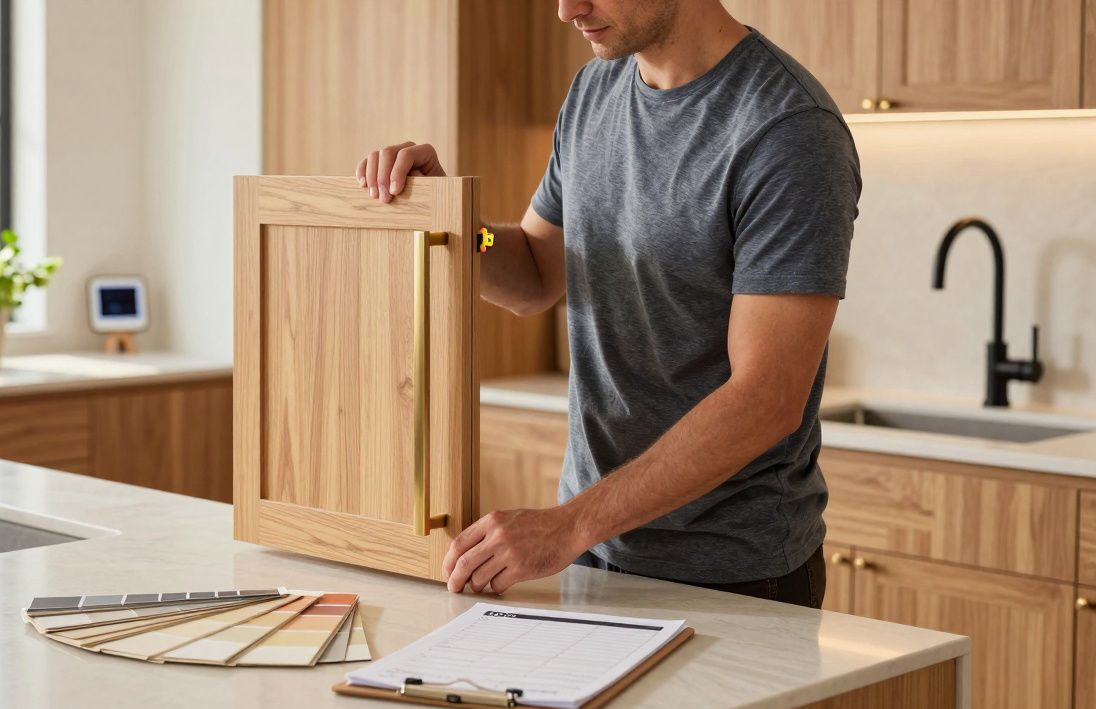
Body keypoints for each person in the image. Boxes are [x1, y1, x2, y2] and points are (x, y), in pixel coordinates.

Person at [355, 0, 860, 608]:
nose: (567, 10)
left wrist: (567, 525)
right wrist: (455, 221)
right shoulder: (596, 90)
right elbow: (538, 272)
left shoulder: (787, 129)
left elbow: (767, 398)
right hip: (599, 551)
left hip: (735, 574)